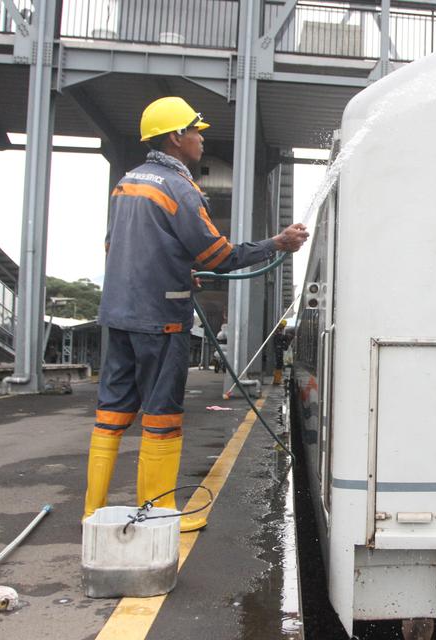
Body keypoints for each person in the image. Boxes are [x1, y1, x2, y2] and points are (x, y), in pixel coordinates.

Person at [83, 97, 308, 531]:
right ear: (175, 138)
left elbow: (116, 247)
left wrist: (177, 269)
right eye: (195, 130)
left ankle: (92, 512)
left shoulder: (128, 183)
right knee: (161, 417)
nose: (201, 138)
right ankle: (159, 515)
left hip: (118, 314)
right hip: (160, 319)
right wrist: (276, 243)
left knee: (111, 413)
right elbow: (219, 255)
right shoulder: (179, 189)